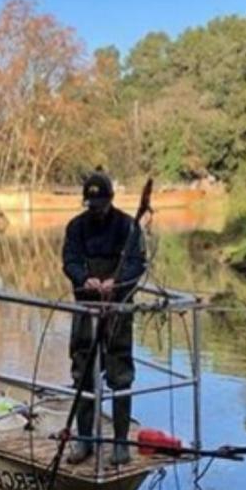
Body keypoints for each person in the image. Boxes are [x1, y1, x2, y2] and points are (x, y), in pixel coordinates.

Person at [62, 171, 146, 466]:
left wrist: (117, 281)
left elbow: (137, 263)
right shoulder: (76, 227)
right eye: (91, 205)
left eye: (100, 204)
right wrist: (84, 278)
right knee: (83, 371)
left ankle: (120, 443)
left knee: (120, 372)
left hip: (118, 309)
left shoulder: (128, 226)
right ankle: (84, 440)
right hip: (86, 307)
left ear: (110, 199)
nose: (95, 210)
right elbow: (69, 260)